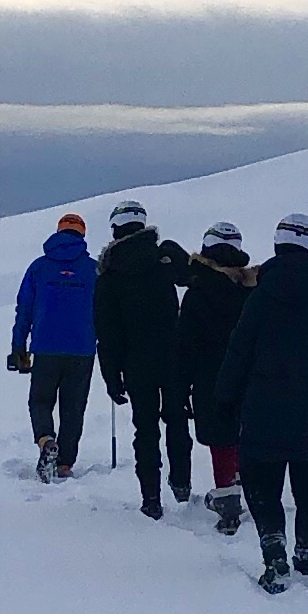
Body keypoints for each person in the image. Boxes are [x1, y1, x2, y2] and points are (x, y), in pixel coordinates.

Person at [203, 208, 308, 590]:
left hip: (263, 413)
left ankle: (274, 552)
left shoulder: (260, 299)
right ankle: (307, 558)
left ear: (278, 246)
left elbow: (238, 352)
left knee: (263, 488)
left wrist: (223, 400)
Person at [92, 200, 188, 516]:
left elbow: (107, 332)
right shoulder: (164, 258)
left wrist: (111, 376)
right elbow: (191, 276)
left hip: (136, 362)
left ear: (116, 228)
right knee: (176, 419)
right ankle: (182, 483)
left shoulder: (109, 274)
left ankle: (151, 498)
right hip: (173, 356)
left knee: (145, 429)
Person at [172, 224, 259, 532]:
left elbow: (185, 347)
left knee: (220, 440)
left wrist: (180, 389)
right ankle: (253, 493)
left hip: (209, 378)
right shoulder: (252, 290)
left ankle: (227, 496)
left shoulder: (197, 292)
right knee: (246, 435)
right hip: (250, 377)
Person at [6, 212, 102, 479]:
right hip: (82, 349)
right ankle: (64, 463)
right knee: (73, 407)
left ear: (58, 233)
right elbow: (105, 310)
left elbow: (24, 309)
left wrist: (18, 346)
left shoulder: (39, 267)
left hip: (45, 347)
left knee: (40, 400)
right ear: (82, 235)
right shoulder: (94, 270)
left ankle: (46, 440)